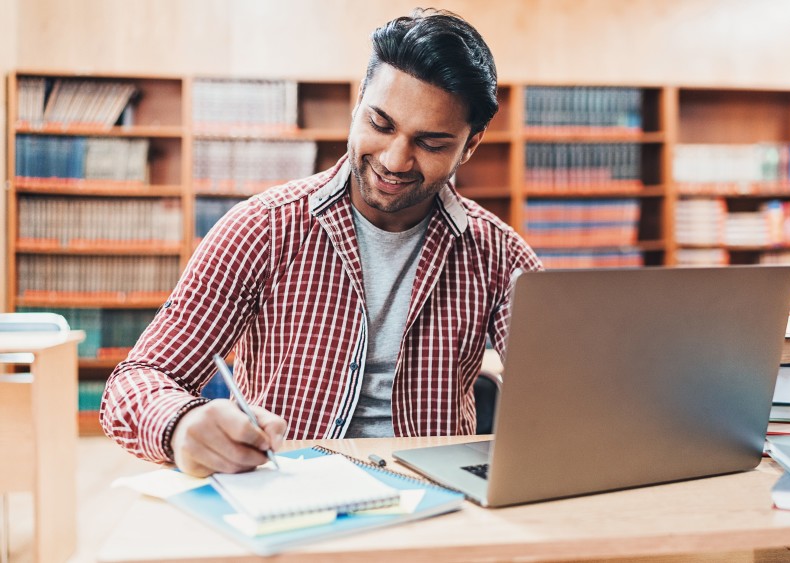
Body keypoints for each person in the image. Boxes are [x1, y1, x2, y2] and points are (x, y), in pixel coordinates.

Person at [100, 8, 542, 477]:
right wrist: (181, 424)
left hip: (442, 503)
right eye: (381, 123)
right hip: (288, 495)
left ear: (469, 146)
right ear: (358, 105)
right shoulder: (262, 228)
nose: (395, 160)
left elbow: (566, 394)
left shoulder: (500, 255)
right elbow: (137, 381)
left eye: (431, 143)